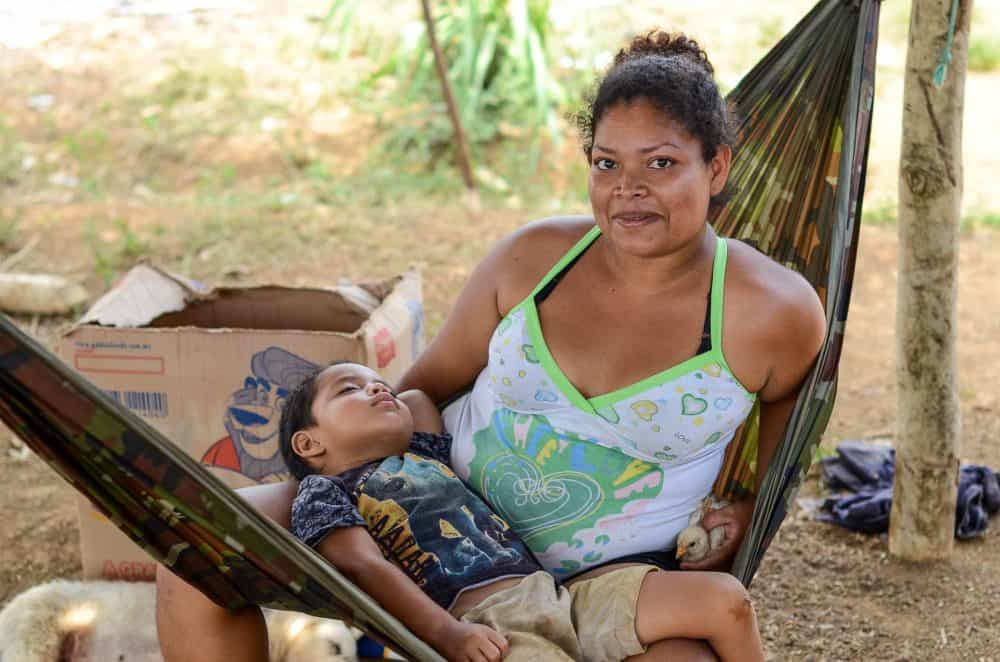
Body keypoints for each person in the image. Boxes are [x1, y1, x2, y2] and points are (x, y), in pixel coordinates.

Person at [156, 30, 824, 662]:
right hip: (421, 518)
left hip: (609, 579)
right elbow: (425, 386)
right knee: (198, 546)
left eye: (661, 163)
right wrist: (340, 495)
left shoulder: (772, 312)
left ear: (718, 168)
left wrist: (744, 506)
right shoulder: (533, 260)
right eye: (606, 163)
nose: (629, 189)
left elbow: (784, 429)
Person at [281, 360, 764, 662]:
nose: (376, 390)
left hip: (561, 597)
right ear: (308, 442)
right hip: (488, 630)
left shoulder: (426, 453)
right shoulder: (324, 491)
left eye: (378, 382)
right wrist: (446, 636)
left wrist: (381, 404)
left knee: (723, 600)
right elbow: (361, 567)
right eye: (350, 389)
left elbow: (417, 398)